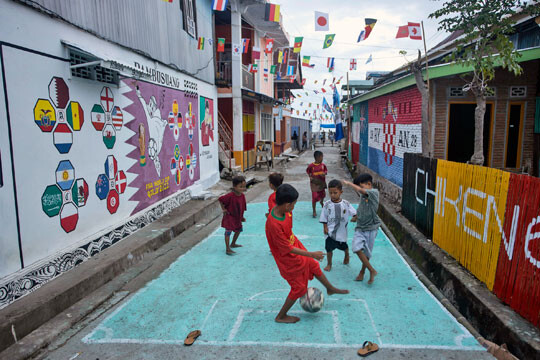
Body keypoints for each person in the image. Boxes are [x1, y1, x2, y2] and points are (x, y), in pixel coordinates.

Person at [265, 184, 349, 323]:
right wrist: (311, 253)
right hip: (287, 257)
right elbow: (287, 249)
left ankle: (330, 288)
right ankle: (281, 316)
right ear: (287, 204)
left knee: (313, 265)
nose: (294, 207)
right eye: (293, 204)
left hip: (294, 243)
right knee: (299, 288)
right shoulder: (274, 224)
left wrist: (309, 256)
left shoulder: (285, 211)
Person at [343, 174, 381, 284]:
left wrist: (349, 184)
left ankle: (363, 272)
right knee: (356, 248)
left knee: (367, 254)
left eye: (361, 187)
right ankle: (372, 270)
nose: (359, 191)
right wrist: (356, 217)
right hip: (360, 228)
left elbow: (362, 191)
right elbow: (361, 209)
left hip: (371, 228)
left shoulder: (374, 193)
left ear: (369, 184)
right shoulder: (363, 197)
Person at [319, 180, 357, 272]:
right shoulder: (327, 204)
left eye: (335, 193)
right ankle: (329, 263)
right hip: (330, 232)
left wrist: (355, 217)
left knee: (344, 246)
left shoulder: (346, 204)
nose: (333, 195)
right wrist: (325, 227)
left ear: (341, 192)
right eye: (330, 193)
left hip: (341, 232)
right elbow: (324, 216)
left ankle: (346, 254)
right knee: (328, 249)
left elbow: (354, 213)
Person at [219, 176, 247, 255]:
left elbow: (242, 207)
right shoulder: (230, 196)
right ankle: (227, 248)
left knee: (238, 230)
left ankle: (233, 243)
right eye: (240, 187)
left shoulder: (242, 196)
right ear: (234, 187)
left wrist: (242, 217)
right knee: (228, 232)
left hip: (237, 217)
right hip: (230, 217)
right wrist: (224, 209)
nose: (242, 189)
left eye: (244, 187)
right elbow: (220, 199)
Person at [306, 151, 328, 218]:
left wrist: (324, 174)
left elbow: (326, 171)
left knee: (323, 195)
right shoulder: (311, 166)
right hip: (314, 184)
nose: (322, 158)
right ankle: (314, 210)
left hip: (321, 183)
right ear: (317, 158)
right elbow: (308, 171)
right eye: (321, 157)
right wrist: (310, 177)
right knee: (314, 197)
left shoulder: (323, 165)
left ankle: (321, 202)